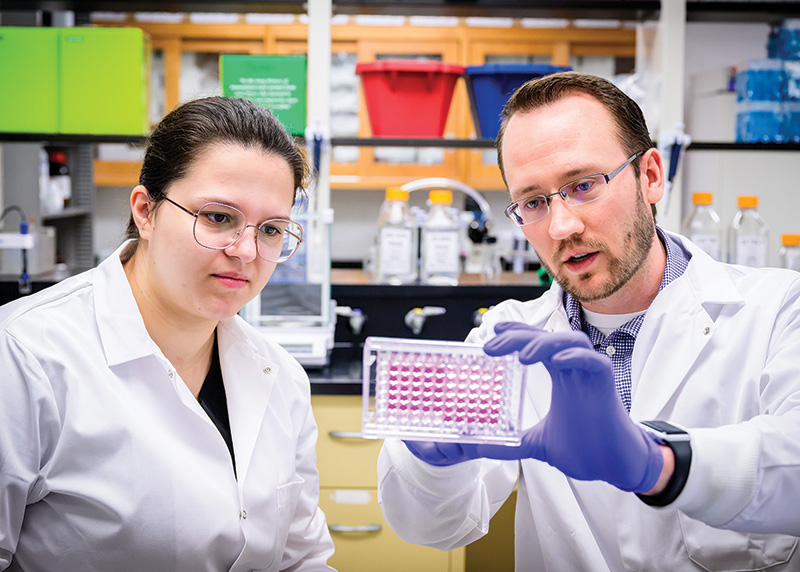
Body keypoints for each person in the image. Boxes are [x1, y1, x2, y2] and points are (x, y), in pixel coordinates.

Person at [376, 72, 800, 571]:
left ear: (651, 177)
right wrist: (430, 464)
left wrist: (660, 464)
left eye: (583, 186)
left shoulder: (778, 310)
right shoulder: (507, 340)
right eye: (533, 202)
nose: (561, 227)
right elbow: (437, 528)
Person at [0, 96, 335, 572]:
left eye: (272, 229)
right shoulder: (24, 357)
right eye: (219, 217)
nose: (245, 250)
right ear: (146, 211)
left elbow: (301, 560)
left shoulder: (281, 377)